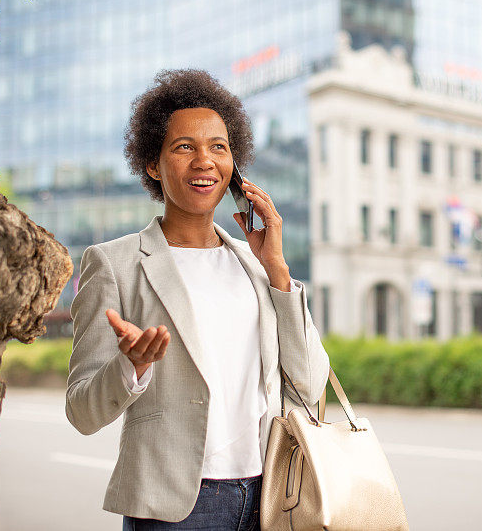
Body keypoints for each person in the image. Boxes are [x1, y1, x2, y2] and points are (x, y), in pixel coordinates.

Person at [65, 68, 330, 531]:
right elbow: (82, 411)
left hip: (268, 497)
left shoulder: (254, 267)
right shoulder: (114, 263)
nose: (204, 160)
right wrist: (132, 367)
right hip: (177, 509)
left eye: (218, 147)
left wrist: (279, 272)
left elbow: (309, 385)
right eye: (184, 146)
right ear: (153, 164)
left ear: (235, 166)